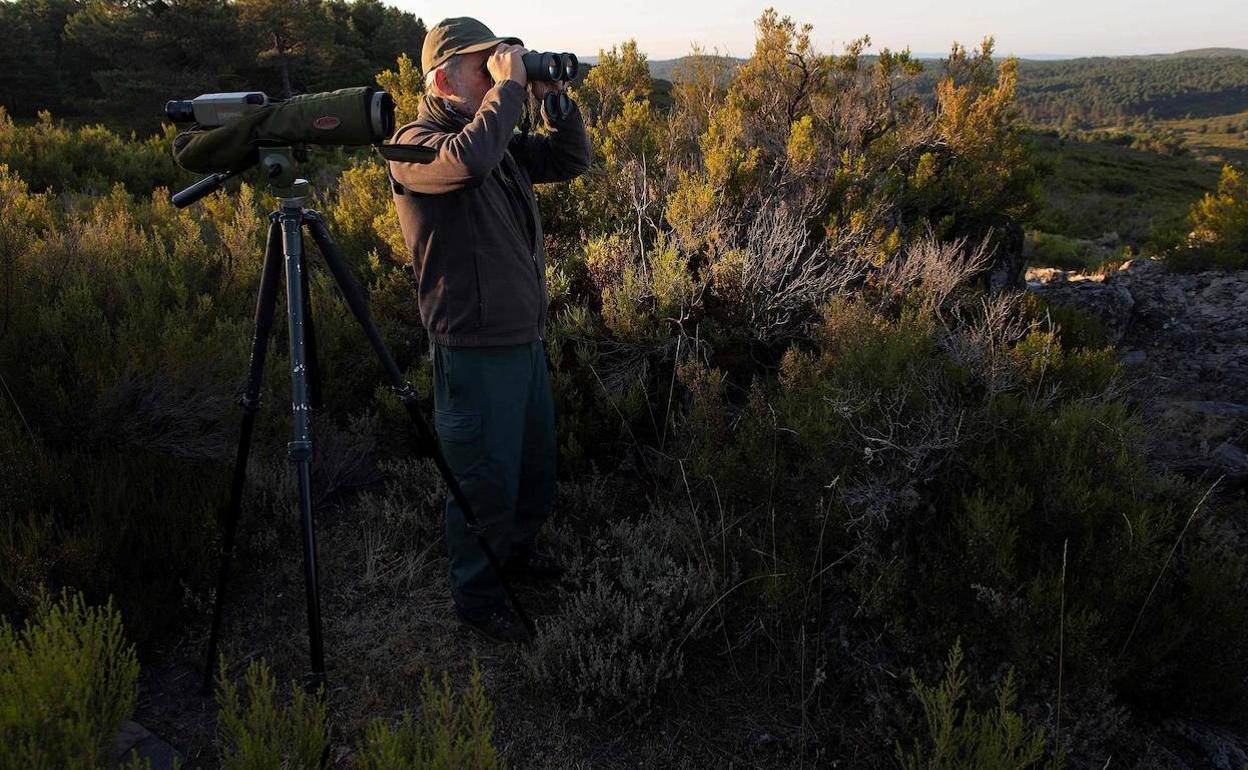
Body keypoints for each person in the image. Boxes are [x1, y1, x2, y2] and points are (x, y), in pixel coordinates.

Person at [386, 17, 592, 642]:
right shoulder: (414, 145)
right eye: (487, 66)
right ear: (444, 79)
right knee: (483, 477)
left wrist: (551, 98)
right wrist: (507, 94)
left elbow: (568, 158)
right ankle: (478, 596)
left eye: (502, 64)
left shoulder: (491, 137)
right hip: (473, 346)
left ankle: (517, 555)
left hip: (521, 338)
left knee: (530, 465)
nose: (501, 73)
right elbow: (470, 161)